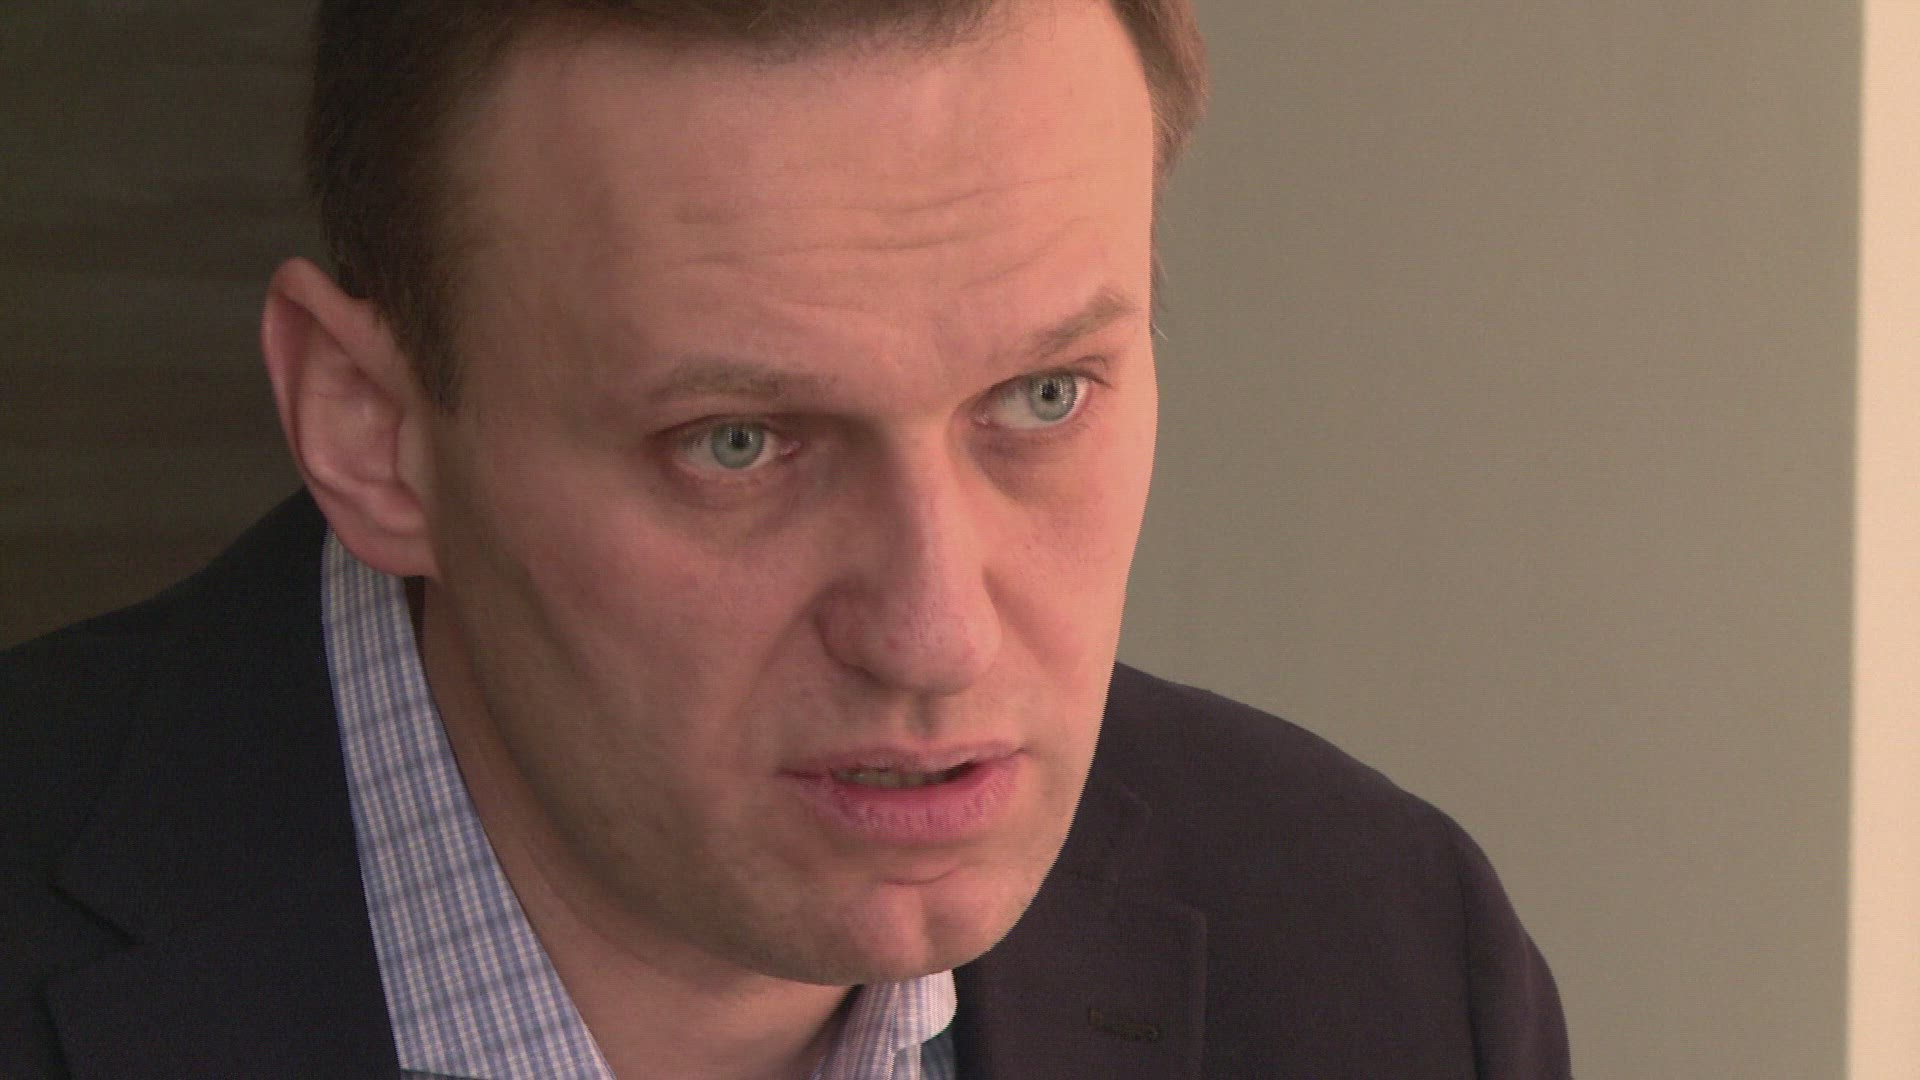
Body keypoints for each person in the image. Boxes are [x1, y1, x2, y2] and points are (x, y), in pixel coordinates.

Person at [0, 0, 1571, 1076]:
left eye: (1041, 397)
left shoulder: (1389, 968)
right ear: (371, 430)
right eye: (736, 444)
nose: (935, 633)